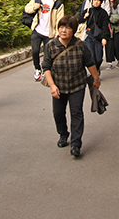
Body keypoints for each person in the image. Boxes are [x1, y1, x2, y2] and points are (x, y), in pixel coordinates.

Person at [41, 15, 101, 158]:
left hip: (77, 85)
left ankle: (76, 143)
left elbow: (90, 63)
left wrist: (96, 79)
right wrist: (52, 86)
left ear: (73, 30)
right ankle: (63, 134)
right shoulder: (51, 45)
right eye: (61, 27)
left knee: (76, 113)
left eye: (68, 28)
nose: (64, 30)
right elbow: (46, 67)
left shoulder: (81, 45)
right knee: (58, 113)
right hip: (58, 86)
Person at [25, 0, 65, 82]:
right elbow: (27, 9)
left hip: (49, 33)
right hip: (37, 30)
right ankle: (37, 69)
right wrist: (35, 7)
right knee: (35, 51)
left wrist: (57, 32)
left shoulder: (58, 4)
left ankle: (46, 71)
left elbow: (60, 19)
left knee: (47, 54)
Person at [78, 0, 109, 73]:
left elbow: (105, 26)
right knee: (91, 55)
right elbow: (79, 20)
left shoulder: (103, 13)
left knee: (98, 58)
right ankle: (94, 72)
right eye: (94, 0)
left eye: (98, 0)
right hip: (89, 35)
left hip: (99, 36)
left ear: (101, 2)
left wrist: (105, 37)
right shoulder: (88, 11)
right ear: (92, 1)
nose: (96, 2)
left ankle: (97, 68)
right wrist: (84, 17)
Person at [104, 0, 119, 70]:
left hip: (117, 29)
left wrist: (112, 18)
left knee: (118, 45)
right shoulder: (106, 5)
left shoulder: (118, 5)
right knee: (109, 45)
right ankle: (110, 62)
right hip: (109, 28)